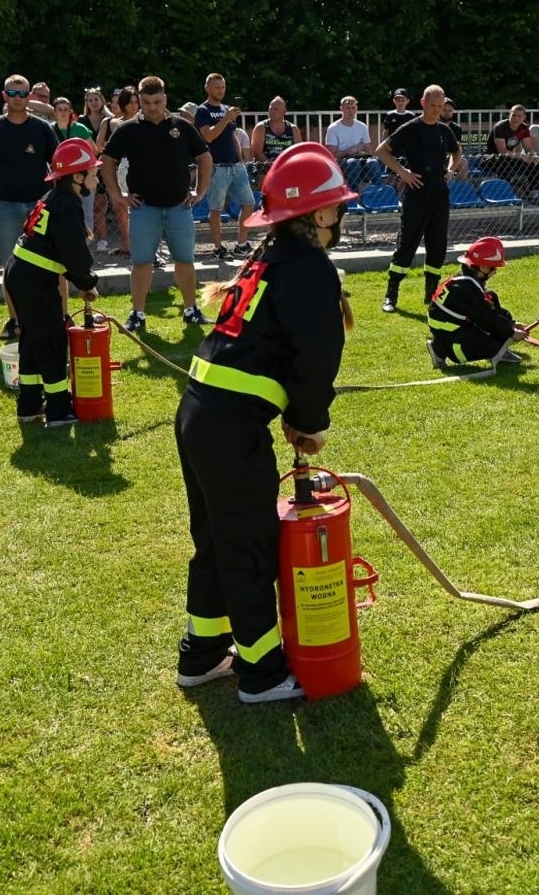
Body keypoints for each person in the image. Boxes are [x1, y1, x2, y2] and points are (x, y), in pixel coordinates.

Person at [174, 143, 357, 704]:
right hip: (229, 427)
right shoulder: (309, 266)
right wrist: (309, 423)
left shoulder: (270, 254)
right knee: (249, 546)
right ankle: (262, 674)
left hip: (200, 414)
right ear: (323, 214)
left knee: (216, 540)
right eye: (338, 207)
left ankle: (202, 655)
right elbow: (316, 359)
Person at [100, 75, 213, 332]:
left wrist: (201, 190)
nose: (152, 107)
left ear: (166, 99)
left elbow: (205, 157)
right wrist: (117, 194)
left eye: (157, 101)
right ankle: (137, 314)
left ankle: (191, 310)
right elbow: (107, 161)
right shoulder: (127, 129)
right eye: (147, 102)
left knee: (184, 260)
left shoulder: (182, 127)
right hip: (143, 209)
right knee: (141, 262)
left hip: (179, 207)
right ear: (138, 100)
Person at [5, 138, 101, 428]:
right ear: (77, 176)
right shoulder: (68, 205)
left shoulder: (53, 198)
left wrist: (81, 280)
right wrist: (87, 283)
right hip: (34, 281)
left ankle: (29, 404)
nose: (96, 179)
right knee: (50, 341)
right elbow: (74, 253)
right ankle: (59, 409)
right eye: (93, 173)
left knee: (33, 340)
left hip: (21, 274)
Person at [0, 74, 60, 342]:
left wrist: (50, 198)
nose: (17, 99)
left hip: (40, 204)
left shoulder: (42, 128)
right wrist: (2, 194)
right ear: (4, 96)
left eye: (22, 94)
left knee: (52, 260)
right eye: (12, 94)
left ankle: (59, 316)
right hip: (7, 206)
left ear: (30, 97)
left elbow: (57, 165)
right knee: (11, 265)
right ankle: (16, 320)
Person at [376, 85, 466, 313]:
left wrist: (450, 170)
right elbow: (381, 150)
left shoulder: (445, 131)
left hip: (439, 192)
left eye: (440, 106)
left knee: (438, 245)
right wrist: (403, 173)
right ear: (423, 103)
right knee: (407, 244)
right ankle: (391, 295)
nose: (436, 110)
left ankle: (431, 295)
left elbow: (457, 151)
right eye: (433, 105)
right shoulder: (410, 128)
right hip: (416, 192)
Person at [426, 236, 534, 368]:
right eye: (493, 268)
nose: (495, 272)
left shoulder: (468, 280)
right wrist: (511, 332)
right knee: (493, 347)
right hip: (449, 330)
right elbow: (485, 318)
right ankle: (440, 349)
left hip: (455, 323)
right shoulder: (467, 288)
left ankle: (499, 348)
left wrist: (511, 324)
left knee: (491, 297)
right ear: (482, 267)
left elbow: (487, 310)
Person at [194, 73, 255, 261]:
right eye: (216, 87)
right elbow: (209, 136)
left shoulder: (227, 109)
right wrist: (226, 118)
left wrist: (241, 160)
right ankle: (218, 247)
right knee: (216, 209)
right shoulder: (202, 111)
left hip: (235, 165)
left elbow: (232, 136)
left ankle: (241, 244)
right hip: (216, 167)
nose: (220, 90)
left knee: (249, 202)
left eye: (222, 87)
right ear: (207, 88)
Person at [94, 87, 139, 257]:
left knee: (139, 207)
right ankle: (127, 245)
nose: (134, 106)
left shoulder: (143, 120)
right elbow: (99, 147)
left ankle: (141, 246)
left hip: (142, 166)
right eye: (129, 103)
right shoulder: (113, 122)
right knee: (122, 208)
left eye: (136, 102)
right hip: (124, 165)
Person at [483, 105, 539, 196]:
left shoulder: (524, 128)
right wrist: (522, 156)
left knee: (534, 162)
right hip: (491, 157)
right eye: (514, 115)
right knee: (504, 162)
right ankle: (506, 194)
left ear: (524, 117)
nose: (516, 118)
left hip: (511, 157)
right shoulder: (500, 127)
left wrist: (533, 155)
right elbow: (502, 151)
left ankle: (534, 193)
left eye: (519, 116)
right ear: (509, 114)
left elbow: (528, 148)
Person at [323, 95, 373, 184]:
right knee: (353, 163)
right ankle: (355, 193)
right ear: (341, 108)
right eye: (347, 108)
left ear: (356, 109)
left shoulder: (362, 126)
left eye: (353, 108)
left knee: (374, 163)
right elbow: (332, 156)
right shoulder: (333, 128)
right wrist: (351, 150)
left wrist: (360, 152)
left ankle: (379, 191)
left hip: (360, 158)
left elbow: (369, 151)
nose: (351, 111)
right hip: (342, 161)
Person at [250, 96, 302, 164]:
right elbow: (257, 153)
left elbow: (299, 152)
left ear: (284, 111)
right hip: (265, 169)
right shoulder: (261, 128)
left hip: (287, 167)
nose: (272, 111)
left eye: (276, 109)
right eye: (271, 109)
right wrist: (272, 166)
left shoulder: (293, 129)